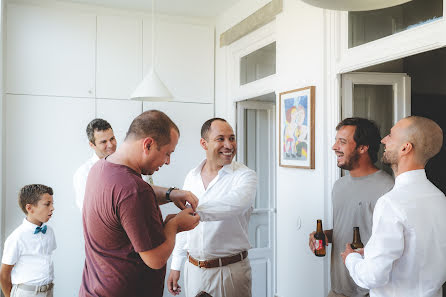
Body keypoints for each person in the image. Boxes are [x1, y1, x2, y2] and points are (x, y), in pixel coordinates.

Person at [79, 110, 201, 297]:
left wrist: (170, 194)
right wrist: (174, 225)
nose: (167, 162)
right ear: (148, 144)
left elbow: (127, 197)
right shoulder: (134, 190)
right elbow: (155, 258)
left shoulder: (100, 168)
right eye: (167, 153)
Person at [342, 116, 446, 297]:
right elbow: (421, 253)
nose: (383, 140)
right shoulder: (439, 198)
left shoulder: (391, 202)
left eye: (390, 135)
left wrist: (351, 258)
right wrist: (375, 252)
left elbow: (373, 277)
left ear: (405, 148)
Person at [167, 118, 257, 297]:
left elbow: (234, 205)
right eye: (221, 139)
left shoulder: (245, 176)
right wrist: (176, 264)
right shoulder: (191, 177)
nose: (229, 145)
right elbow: (186, 228)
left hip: (229, 272)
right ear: (204, 143)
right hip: (193, 271)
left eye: (232, 138)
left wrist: (190, 214)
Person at [309, 117, 394, 297]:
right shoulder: (339, 186)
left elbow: (391, 244)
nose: (334, 147)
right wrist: (326, 235)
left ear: (363, 148)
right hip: (338, 288)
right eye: (335, 140)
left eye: (342, 142)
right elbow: (346, 228)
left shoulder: (387, 188)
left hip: (369, 291)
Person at [0, 184, 56, 297]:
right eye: (47, 204)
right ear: (29, 208)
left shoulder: (49, 232)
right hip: (26, 293)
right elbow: (4, 275)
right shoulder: (16, 237)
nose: (52, 208)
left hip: (49, 291)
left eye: (52, 204)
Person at [73, 118, 117, 211]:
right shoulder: (84, 173)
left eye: (112, 139)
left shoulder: (125, 165)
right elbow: (87, 210)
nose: (110, 145)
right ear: (92, 145)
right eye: (103, 142)